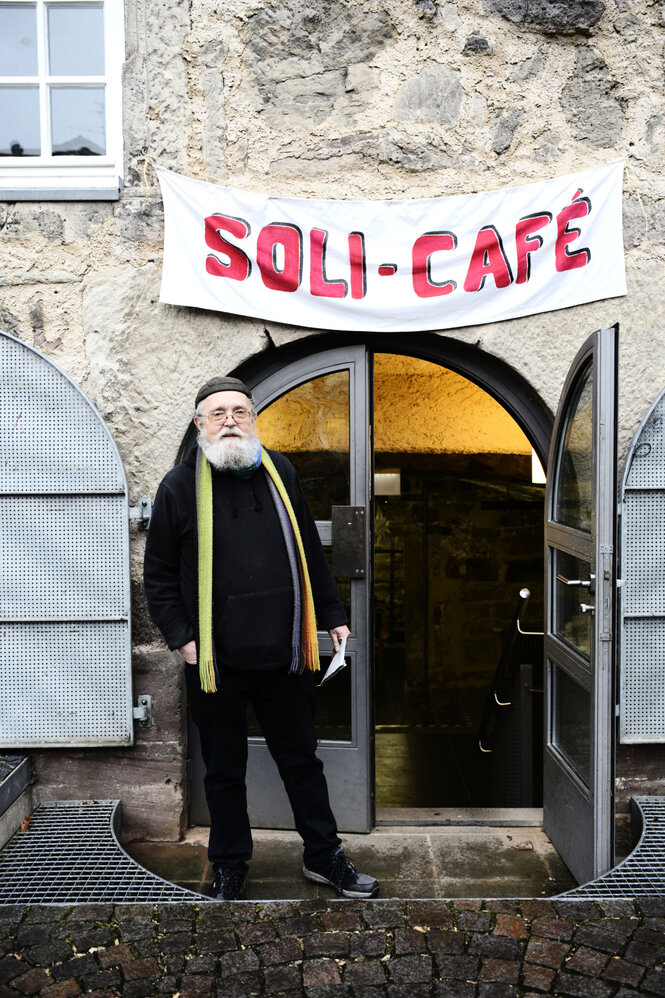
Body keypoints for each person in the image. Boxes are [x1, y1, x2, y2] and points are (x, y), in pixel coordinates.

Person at [143, 376, 379, 901]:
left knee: (302, 761)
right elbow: (157, 575)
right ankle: (229, 863)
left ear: (253, 419)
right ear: (199, 423)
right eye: (219, 412)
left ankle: (325, 857)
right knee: (224, 771)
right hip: (214, 659)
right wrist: (184, 640)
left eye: (241, 411)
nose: (231, 420)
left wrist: (334, 613)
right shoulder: (179, 488)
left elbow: (308, 553)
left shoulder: (280, 473)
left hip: (286, 652)